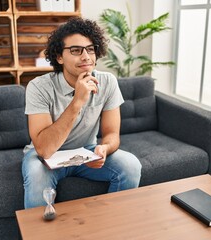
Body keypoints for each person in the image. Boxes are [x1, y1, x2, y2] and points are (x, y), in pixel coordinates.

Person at [22, 17, 142, 209]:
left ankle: (110, 227)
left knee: (130, 165)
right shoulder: (38, 87)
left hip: (86, 151)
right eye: (76, 50)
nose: (86, 56)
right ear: (59, 57)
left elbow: (112, 134)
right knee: (36, 174)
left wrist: (103, 149)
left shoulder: (108, 82)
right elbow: (44, 149)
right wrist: (77, 101)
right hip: (46, 157)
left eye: (90, 49)